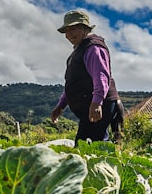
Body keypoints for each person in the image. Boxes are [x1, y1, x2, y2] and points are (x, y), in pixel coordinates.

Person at [50, 9, 123, 144]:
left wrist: (96, 102)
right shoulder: (78, 52)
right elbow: (72, 84)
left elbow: (101, 77)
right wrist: (60, 106)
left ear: (85, 29)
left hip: (99, 104)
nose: (69, 34)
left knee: (86, 147)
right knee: (96, 144)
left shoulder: (93, 48)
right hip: (92, 105)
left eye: (73, 29)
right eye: (66, 30)